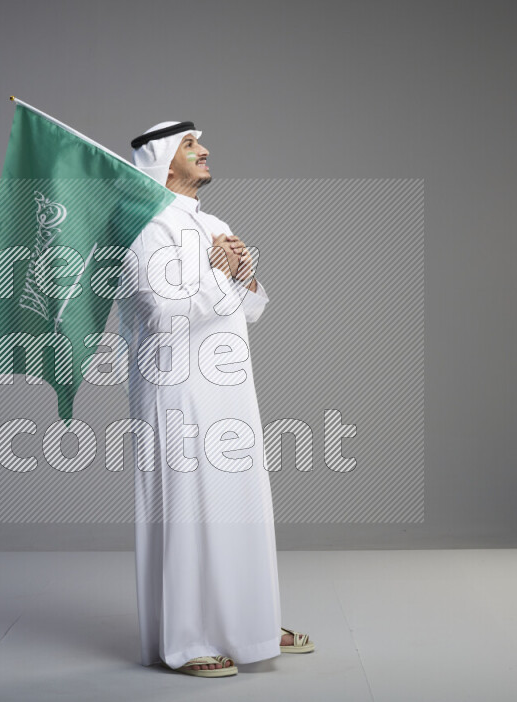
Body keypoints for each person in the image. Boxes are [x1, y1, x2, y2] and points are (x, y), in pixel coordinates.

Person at [117, 121, 314, 677]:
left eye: (200, 143)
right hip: (176, 392)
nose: (203, 151)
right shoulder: (143, 228)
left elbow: (247, 308)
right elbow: (162, 317)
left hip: (229, 391)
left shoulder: (215, 223)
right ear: (162, 161)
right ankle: (188, 640)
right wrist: (219, 273)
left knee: (239, 507)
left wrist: (245, 276)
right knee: (187, 510)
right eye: (189, 145)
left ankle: (248, 624)